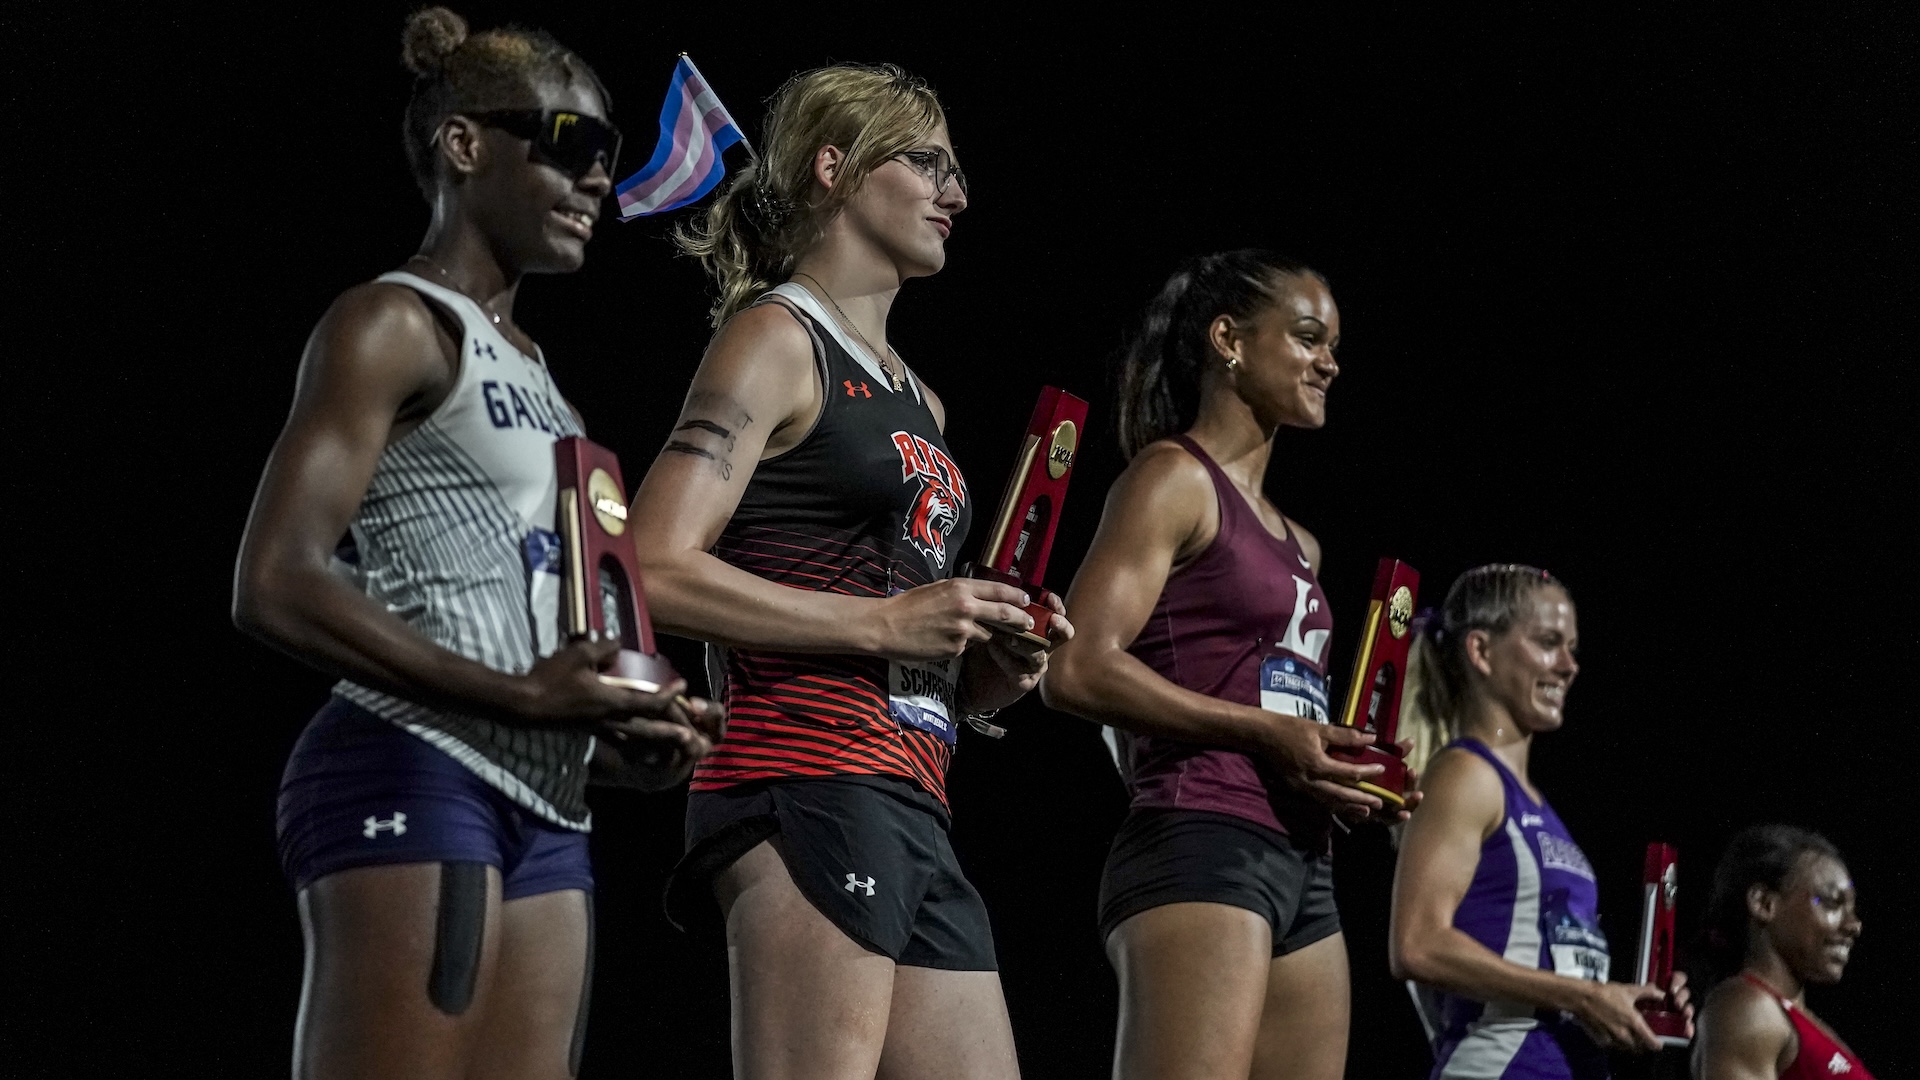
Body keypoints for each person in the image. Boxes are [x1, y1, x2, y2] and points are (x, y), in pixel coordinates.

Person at [231, 9, 721, 1078]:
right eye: (574, 144)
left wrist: (622, 728)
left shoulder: (552, 391)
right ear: (466, 145)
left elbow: (527, 634)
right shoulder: (391, 322)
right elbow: (274, 580)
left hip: (549, 801)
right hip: (414, 760)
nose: (601, 179)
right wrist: (525, 698)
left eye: (615, 157)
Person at [628, 63, 1070, 1079]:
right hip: (801, 778)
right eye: (928, 164)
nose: (956, 194)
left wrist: (986, 673)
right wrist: (884, 627)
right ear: (835, 166)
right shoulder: (775, 337)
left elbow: (899, 621)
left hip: (914, 793)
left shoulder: (927, 401)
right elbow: (650, 565)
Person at [1042, 250, 1400, 1080]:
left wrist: (1345, 772)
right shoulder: (1172, 479)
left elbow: (1279, 705)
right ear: (1229, 339)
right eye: (1309, 337)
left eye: (1334, 345)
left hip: (1304, 860)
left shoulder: (1301, 542)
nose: (1329, 362)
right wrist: (1266, 734)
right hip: (1200, 834)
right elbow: (1077, 669)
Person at [1389, 565, 1690, 1079]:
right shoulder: (1466, 775)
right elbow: (1416, 945)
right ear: (1481, 651)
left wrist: (1626, 1003)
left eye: (1572, 648)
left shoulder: (1537, 807)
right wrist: (1585, 996)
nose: (1569, 666)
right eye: (1549, 643)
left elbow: (1542, 963)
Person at [1691, 826, 1872, 1079]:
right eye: (1832, 902)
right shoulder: (1750, 1008)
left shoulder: (1793, 1020)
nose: (1854, 925)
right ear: (1764, 904)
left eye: (1852, 909)